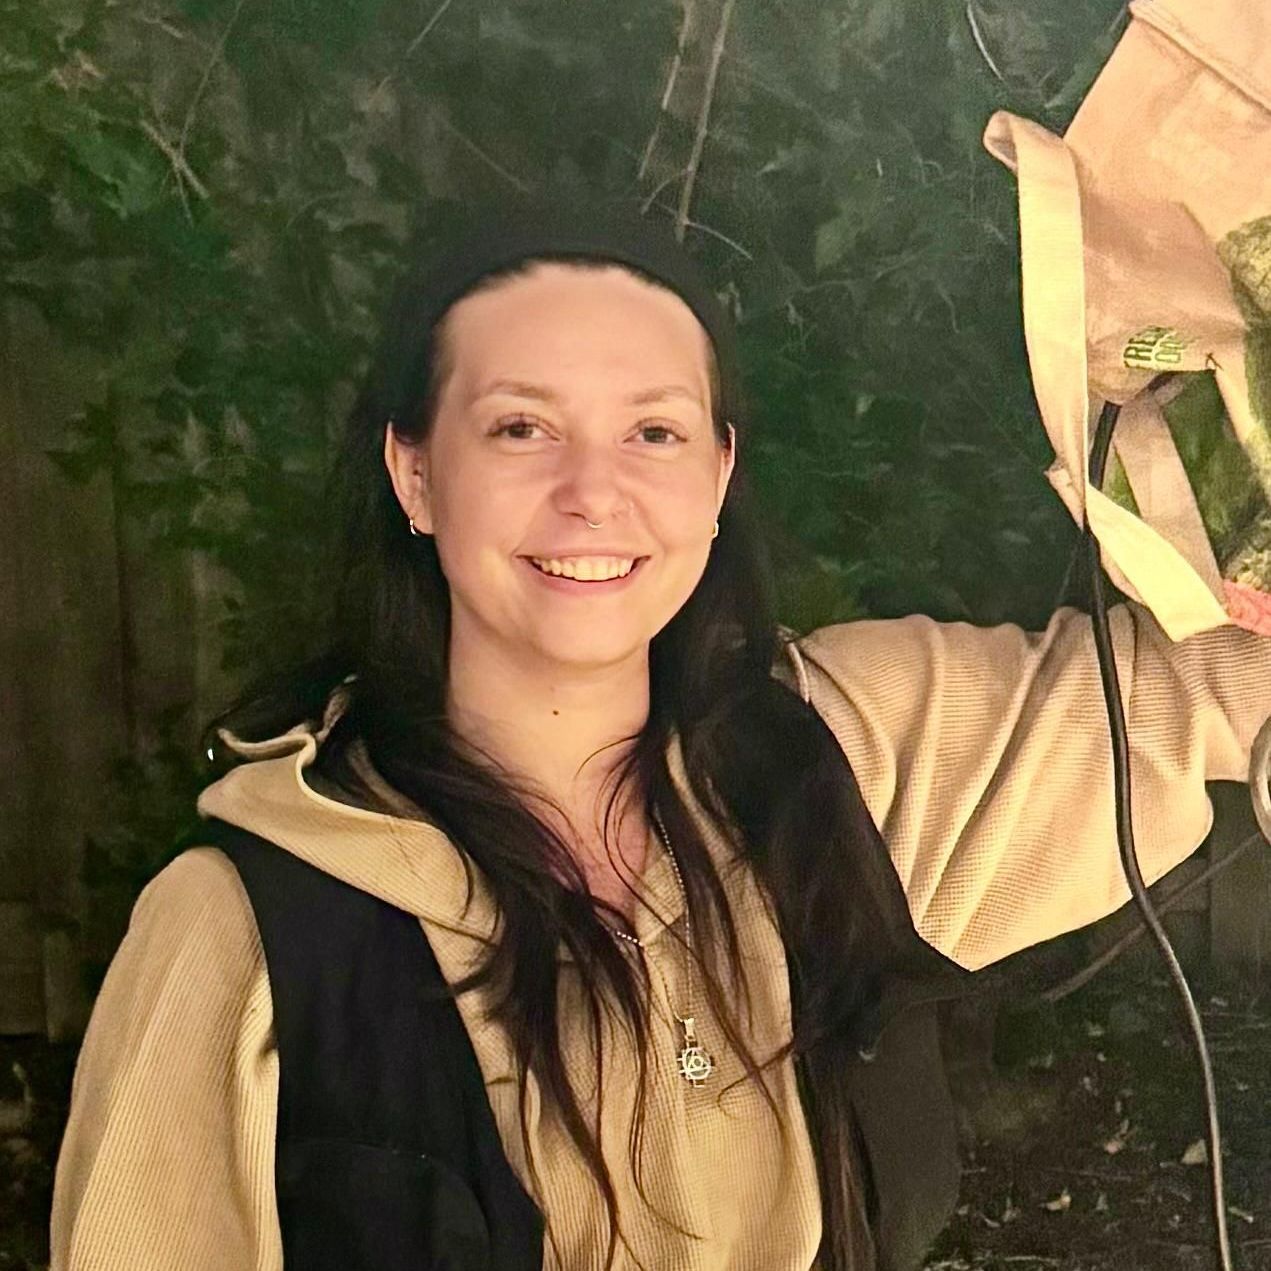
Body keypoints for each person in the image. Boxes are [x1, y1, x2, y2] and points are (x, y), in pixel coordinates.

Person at [50, 199, 1271, 1271]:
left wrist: (1209, 390)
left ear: (718, 473)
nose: (594, 490)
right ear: (414, 474)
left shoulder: (842, 757)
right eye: (521, 427)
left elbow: (1217, 680)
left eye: (653, 431)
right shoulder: (248, 929)